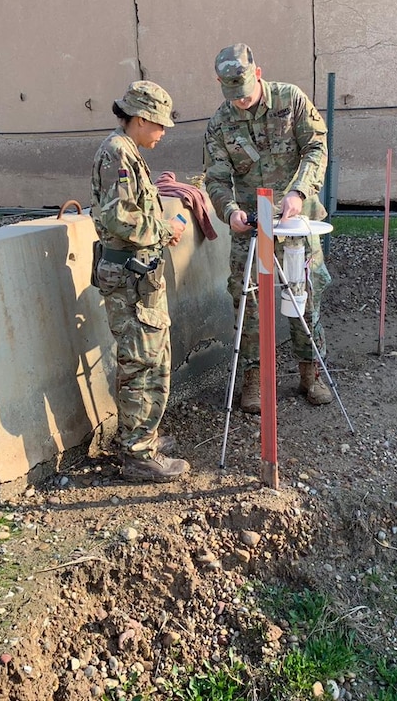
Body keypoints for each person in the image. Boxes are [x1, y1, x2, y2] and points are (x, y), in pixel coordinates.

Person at [203, 43, 334, 414]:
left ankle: (310, 373)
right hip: (251, 225)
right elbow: (215, 177)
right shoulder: (220, 124)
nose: (241, 102)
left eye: (244, 93)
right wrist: (228, 211)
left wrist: (299, 191)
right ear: (219, 83)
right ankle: (254, 379)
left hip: (295, 221)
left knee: (304, 293)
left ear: (257, 73)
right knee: (249, 302)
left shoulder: (290, 100)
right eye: (232, 95)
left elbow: (316, 147)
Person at [90, 80, 190, 482]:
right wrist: (166, 229)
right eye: (159, 125)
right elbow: (117, 217)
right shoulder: (117, 153)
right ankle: (137, 455)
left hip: (140, 276)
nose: (163, 132)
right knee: (140, 364)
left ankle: (142, 436)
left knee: (151, 359)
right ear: (141, 119)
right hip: (130, 278)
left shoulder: (128, 151)